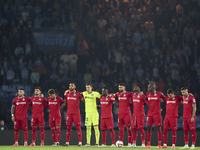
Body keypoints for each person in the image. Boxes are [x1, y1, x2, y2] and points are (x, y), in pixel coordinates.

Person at [144, 83, 165, 148]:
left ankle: (159, 145)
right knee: (148, 128)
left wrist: (160, 107)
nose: (148, 89)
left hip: (157, 113)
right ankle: (148, 144)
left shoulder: (159, 93)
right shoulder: (147, 94)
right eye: (148, 87)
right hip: (150, 113)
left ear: (153, 88)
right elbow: (146, 101)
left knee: (158, 128)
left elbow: (165, 99)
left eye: (149, 87)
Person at [115, 83, 133, 147]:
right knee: (120, 129)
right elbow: (112, 96)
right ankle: (120, 142)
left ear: (124, 87)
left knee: (128, 128)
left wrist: (131, 104)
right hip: (120, 114)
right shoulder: (118, 94)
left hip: (127, 114)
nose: (120, 88)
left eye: (121, 87)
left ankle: (129, 143)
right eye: (119, 87)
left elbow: (135, 96)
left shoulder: (129, 94)